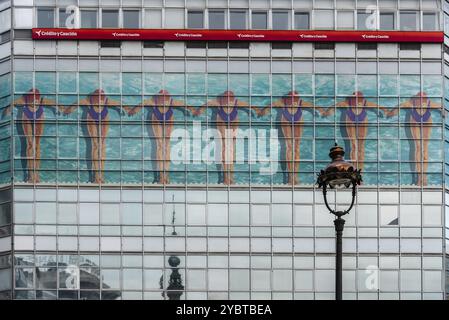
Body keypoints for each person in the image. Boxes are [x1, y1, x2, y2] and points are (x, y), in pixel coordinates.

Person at [256, 91, 331, 185]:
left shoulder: (301, 102)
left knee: (296, 148)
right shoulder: (281, 102)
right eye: (291, 98)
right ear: (287, 98)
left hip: (297, 118)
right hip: (285, 118)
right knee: (289, 147)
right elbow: (269, 107)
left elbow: (313, 106)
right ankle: (290, 176)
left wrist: (322, 111)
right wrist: (263, 113)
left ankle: (295, 175)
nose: (293, 101)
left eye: (295, 98)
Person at [62, 89, 134, 184]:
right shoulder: (87, 101)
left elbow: (119, 103)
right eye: (98, 98)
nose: (100, 101)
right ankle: (96, 176)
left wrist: (127, 109)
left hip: (104, 117)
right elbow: (76, 103)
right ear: (94, 97)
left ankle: (101, 175)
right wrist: (68, 110)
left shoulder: (107, 101)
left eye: (101, 98)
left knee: (102, 145)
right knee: (95, 145)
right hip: (91, 116)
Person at [128, 90, 198, 184]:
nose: (164, 99)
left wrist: (193, 109)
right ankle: (161, 175)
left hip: (168, 116)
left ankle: (166, 175)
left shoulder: (171, 102)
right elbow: (143, 103)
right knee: (159, 146)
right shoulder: (153, 101)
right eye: (162, 97)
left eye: (166, 97)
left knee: (166, 145)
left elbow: (183, 104)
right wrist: (134, 110)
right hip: (156, 116)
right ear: (159, 97)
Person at [192, 90, 260, 185]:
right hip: (221, 119)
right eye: (226, 98)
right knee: (224, 147)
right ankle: (225, 177)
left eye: (230, 98)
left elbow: (249, 105)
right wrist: (199, 111)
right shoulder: (217, 102)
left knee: (231, 148)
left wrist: (256, 110)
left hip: (233, 119)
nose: (228, 100)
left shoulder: (236, 102)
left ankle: (231, 177)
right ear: (223, 98)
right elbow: (205, 105)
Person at [7, 88, 66, 183]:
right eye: (33, 102)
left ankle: (36, 174)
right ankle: (31, 175)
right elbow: (12, 104)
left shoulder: (42, 100)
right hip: (26, 115)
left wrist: (62, 108)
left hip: (39, 116)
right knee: (30, 145)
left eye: (36, 101)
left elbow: (55, 103)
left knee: (37, 145)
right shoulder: (23, 100)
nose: (35, 103)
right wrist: (8, 110)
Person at [387, 91, 441, 186]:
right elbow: (400, 106)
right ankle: (419, 176)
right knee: (418, 147)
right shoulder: (410, 103)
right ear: (416, 99)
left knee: (424, 148)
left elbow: (440, 106)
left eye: (423, 99)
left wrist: (444, 112)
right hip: (414, 119)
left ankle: (423, 176)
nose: (421, 101)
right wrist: (392, 113)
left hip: (426, 119)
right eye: (419, 99)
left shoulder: (429, 103)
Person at [330, 91, 393, 171]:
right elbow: (335, 106)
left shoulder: (365, 103)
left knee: (361, 146)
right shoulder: (346, 103)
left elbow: (379, 107)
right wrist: (327, 113)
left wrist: (386, 112)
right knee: (353, 146)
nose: (357, 103)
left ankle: (360, 170)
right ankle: (353, 169)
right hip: (350, 117)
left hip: (362, 118)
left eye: (358, 101)